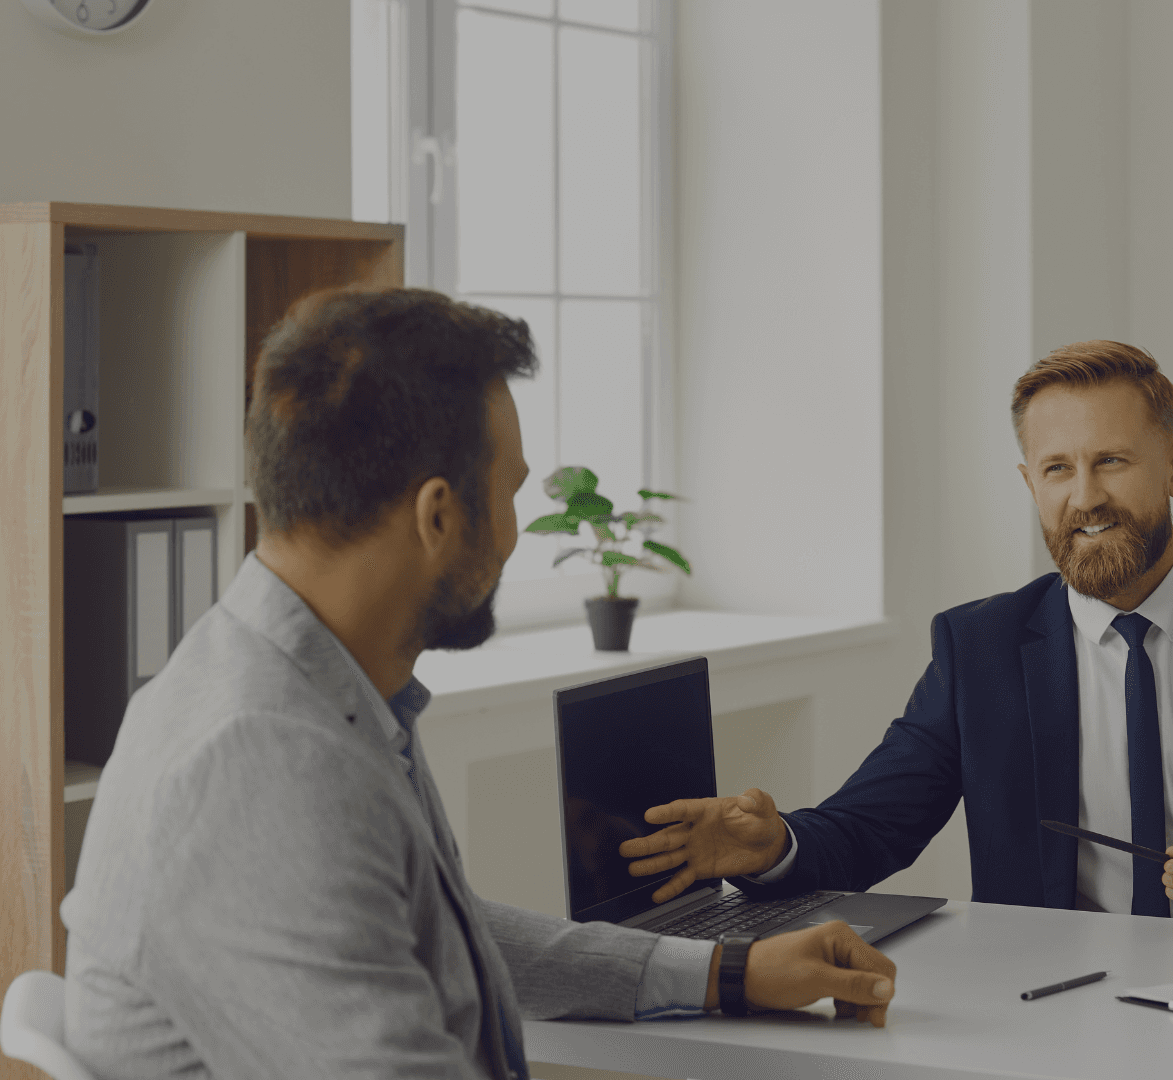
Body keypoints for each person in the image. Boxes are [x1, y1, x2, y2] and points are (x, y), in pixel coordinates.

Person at [61, 287, 897, 1080]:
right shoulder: (264, 756)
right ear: (436, 516)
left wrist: (727, 970)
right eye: (509, 494)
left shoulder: (317, 686)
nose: (512, 535)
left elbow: (443, 924)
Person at [624, 341, 1173, 929]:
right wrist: (774, 846)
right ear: (1029, 484)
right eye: (1057, 469)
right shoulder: (977, 649)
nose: (1086, 497)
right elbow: (869, 828)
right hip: (1046, 1002)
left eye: (1111, 460)